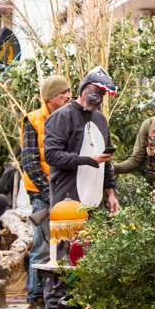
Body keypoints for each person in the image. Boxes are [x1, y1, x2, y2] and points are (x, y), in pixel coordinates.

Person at [20, 74, 72, 309]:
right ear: (51, 98)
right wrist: (48, 192)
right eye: (65, 95)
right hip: (43, 193)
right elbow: (30, 162)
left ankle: (61, 300)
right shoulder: (32, 120)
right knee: (41, 247)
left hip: (66, 193)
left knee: (67, 248)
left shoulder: (70, 117)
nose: (69, 98)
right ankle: (35, 301)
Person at [42, 66, 119, 212]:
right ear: (82, 90)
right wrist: (87, 160)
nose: (98, 100)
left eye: (102, 95)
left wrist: (111, 193)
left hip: (95, 202)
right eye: (94, 94)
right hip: (66, 202)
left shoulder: (101, 119)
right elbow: (51, 155)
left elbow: (106, 162)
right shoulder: (61, 117)